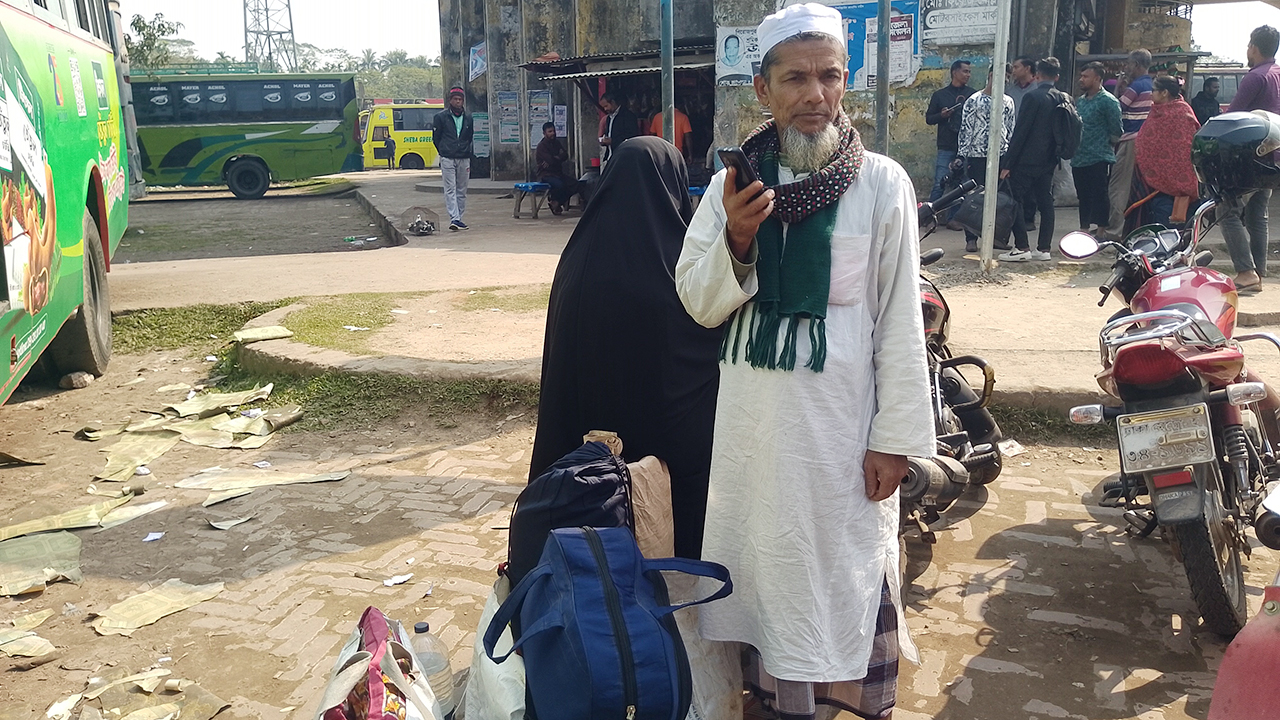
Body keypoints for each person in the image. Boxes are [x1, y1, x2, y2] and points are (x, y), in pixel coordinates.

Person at [674, 5, 933, 718]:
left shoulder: (882, 183)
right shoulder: (733, 185)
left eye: (830, 76)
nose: (816, 95)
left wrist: (896, 439)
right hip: (757, 435)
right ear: (763, 90)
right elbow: (697, 303)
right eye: (796, 78)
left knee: (844, 576)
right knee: (768, 572)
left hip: (844, 435)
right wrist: (737, 236)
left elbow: (899, 322)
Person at [529, 137, 722, 559]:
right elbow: (700, 343)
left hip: (587, 449)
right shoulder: (675, 259)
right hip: (659, 449)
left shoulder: (577, 255)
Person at [1221, 25, 1280, 293]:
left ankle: (1245, 271)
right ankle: (1258, 273)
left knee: (1226, 210)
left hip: (1250, 157)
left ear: (1254, 47)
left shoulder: (1255, 77)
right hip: (1274, 155)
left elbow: (1233, 115)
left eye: (1248, 45)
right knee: (1258, 214)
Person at [999, 57, 1063, 261]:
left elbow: (1021, 132)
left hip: (1027, 160)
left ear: (1038, 75)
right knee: (1045, 202)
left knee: (1014, 199)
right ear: (1057, 76)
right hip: (1050, 160)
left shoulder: (1033, 98)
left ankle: (1022, 247)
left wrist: (1008, 163)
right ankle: (1044, 249)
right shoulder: (1062, 98)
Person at [956, 65, 1025, 253]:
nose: (1005, 80)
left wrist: (1010, 159)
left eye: (1008, 76)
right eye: (1002, 75)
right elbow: (966, 129)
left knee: (1001, 199)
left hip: (1001, 156)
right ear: (991, 75)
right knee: (974, 197)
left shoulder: (1008, 101)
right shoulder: (974, 100)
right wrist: (962, 156)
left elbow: (1010, 130)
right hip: (977, 156)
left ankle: (996, 236)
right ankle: (971, 238)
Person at [1134, 76, 1201, 228]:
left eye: (1153, 90)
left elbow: (1186, 149)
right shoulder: (1155, 111)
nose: (1151, 94)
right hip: (1154, 183)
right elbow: (1147, 140)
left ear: (1164, 92)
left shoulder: (1183, 113)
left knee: (1176, 232)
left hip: (1180, 189)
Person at [1103, 49, 1154, 241]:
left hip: (1130, 139)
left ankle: (1114, 231)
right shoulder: (1150, 85)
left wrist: (1118, 89)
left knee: (1118, 186)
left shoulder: (1137, 86)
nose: (1127, 68)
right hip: (1142, 139)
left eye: (1129, 64)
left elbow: (1117, 108)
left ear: (1137, 65)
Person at [1072, 61, 1123, 234]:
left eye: (1086, 76)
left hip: (1099, 155)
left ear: (1097, 78)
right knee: (1083, 195)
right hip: (1080, 156)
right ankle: (1084, 229)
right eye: (1081, 76)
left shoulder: (1108, 101)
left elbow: (1116, 128)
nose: (1082, 79)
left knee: (1100, 194)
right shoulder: (1081, 101)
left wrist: (1107, 142)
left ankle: (1101, 230)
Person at [925, 60, 976, 225]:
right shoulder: (940, 95)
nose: (968, 75)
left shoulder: (973, 95)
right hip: (946, 146)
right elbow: (929, 119)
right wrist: (942, 116)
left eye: (969, 72)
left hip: (966, 148)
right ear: (954, 72)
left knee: (962, 185)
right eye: (965, 71)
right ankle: (927, 217)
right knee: (940, 182)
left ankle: (954, 219)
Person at [432, 87, 474, 231]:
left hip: (463, 157)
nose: (458, 101)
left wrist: (464, 148)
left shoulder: (468, 117)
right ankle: (454, 218)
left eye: (460, 99)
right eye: (455, 99)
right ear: (450, 100)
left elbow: (469, 136)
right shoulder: (441, 117)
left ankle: (459, 218)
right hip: (447, 158)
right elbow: (436, 138)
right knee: (450, 189)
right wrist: (444, 151)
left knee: (462, 190)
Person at [535, 121, 577, 214]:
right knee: (560, 185)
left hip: (558, 173)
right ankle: (554, 201)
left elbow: (565, 155)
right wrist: (556, 158)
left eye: (554, 131)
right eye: (550, 131)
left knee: (575, 184)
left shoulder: (556, 143)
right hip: (546, 175)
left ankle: (556, 202)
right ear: (544, 133)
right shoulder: (541, 146)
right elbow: (551, 160)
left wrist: (556, 158)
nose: (553, 133)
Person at [599, 91, 640, 165]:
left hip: (624, 156)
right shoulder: (609, 118)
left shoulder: (628, 116)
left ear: (613, 102)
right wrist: (604, 140)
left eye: (606, 106)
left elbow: (631, 136)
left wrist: (612, 141)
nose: (605, 109)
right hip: (611, 157)